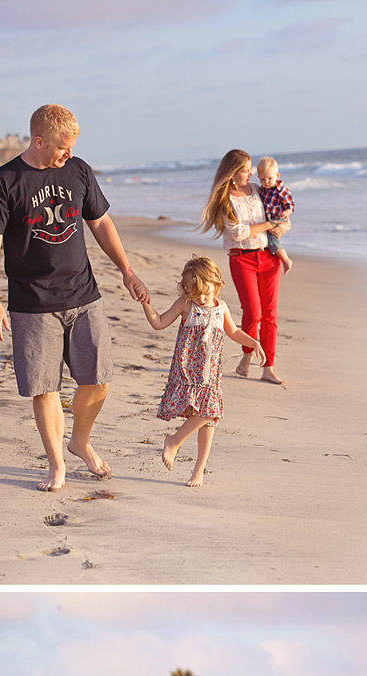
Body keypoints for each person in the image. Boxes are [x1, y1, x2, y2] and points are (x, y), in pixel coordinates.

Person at [0, 104, 151, 492]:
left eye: (71, 147)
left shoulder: (78, 170)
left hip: (84, 294)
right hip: (33, 303)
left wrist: (127, 271)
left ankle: (80, 441)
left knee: (98, 378)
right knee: (45, 386)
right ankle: (57, 464)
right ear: (38, 141)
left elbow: (100, 222)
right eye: (61, 147)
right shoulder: (4, 182)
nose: (67, 154)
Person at [143, 257, 264, 486]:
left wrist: (254, 342)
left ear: (216, 285)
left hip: (211, 375)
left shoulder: (221, 307)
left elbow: (234, 332)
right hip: (188, 372)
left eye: (205, 293)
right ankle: (174, 441)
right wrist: (146, 303)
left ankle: (198, 470)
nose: (201, 298)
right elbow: (158, 323)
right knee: (209, 412)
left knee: (208, 420)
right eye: (195, 293)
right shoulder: (185, 305)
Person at [200, 149, 288, 386]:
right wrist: (269, 224)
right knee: (252, 312)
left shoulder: (259, 190)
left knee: (270, 315)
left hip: (269, 257)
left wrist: (282, 225)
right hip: (242, 259)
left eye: (250, 168)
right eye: (245, 169)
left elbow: (280, 208)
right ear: (232, 173)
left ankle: (268, 367)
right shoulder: (225, 199)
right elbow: (238, 233)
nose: (251, 173)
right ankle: (247, 355)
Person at [254, 157, 294, 273]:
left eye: (270, 178)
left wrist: (287, 212)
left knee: (272, 240)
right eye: (263, 179)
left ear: (277, 176)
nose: (266, 182)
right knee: (265, 238)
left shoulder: (281, 191)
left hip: (276, 218)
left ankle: (286, 259)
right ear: (259, 178)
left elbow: (290, 204)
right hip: (266, 218)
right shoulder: (262, 189)